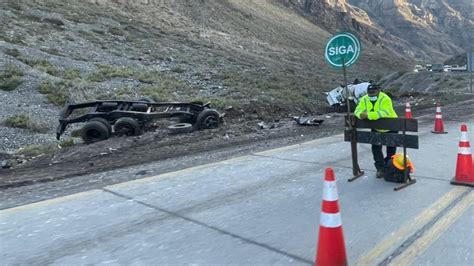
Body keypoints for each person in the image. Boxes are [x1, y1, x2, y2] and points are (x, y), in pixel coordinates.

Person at [354, 83, 398, 178]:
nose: (371, 95)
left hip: (391, 127)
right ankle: (380, 168)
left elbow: (385, 112)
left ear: (379, 91)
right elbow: (357, 110)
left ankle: (388, 166)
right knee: (376, 148)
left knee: (391, 150)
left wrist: (368, 115)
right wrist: (360, 114)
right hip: (376, 127)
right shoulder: (364, 99)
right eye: (370, 93)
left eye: (373, 93)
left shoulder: (385, 99)